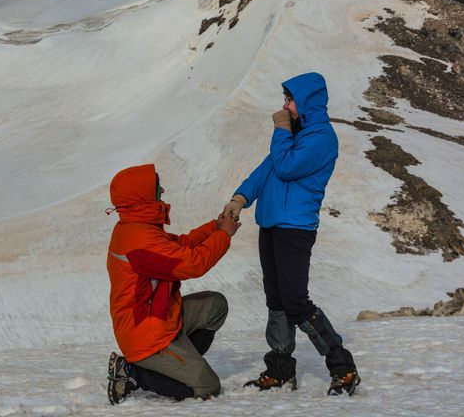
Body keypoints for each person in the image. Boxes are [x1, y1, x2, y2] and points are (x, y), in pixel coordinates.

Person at [223, 72, 360, 396]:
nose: (284, 106)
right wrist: (240, 198)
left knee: (296, 302)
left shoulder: (321, 138)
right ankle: (280, 370)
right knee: (277, 301)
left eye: (289, 99)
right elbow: (266, 169)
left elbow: (286, 166)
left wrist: (282, 129)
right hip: (271, 224)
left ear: (307, 101)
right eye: (284, 99)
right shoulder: (295, 134)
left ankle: (343, 368)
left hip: (295, 228)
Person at [105, 164, 241, 404]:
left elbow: (181, 244)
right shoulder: (139, 240)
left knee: (215, 305)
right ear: (142, 197)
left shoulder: (137, 228)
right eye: (157, 189)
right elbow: (193, 263)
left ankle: (178, 363)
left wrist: (214, 227)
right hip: (147, 336)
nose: (162, 191)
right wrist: (224, 235)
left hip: (159, 319)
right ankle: (133, 374)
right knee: (208, 386)